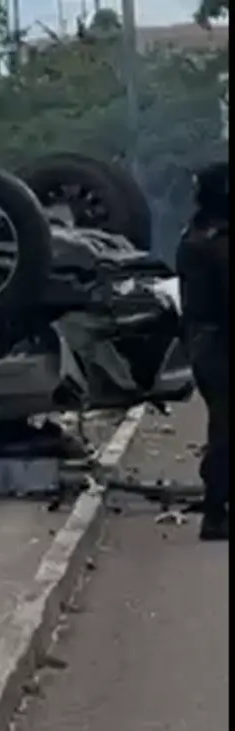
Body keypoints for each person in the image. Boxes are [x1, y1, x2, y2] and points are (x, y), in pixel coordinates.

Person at [175, 160, 229, 542]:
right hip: (219, 340)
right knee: (225, 429)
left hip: (205, 340)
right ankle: (215, 513)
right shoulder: (216, 242)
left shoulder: (197, 234)